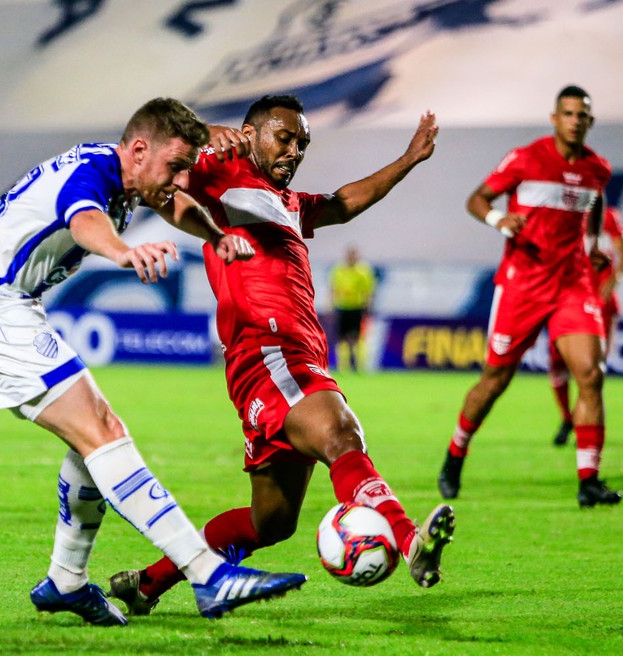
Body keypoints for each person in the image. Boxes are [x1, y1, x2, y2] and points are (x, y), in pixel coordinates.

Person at [0, 97, 306, 625]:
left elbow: (174, 205)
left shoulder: (132, 179)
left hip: (3, 308)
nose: (179, 180)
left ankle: (66, 581)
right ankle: (207, 574)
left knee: (91, 446)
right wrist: (124, 254)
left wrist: (218, 238)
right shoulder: (91, 174)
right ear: (138, 149)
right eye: (174, 167)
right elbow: (85, 221)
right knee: (104, 429)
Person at [106, 94, 455, 616]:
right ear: (250, 135)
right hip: (267, 349)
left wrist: (407, 160)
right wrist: (207, 130)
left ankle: (147, 584)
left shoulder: (285, 203)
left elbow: (343, 202)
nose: (294, 151)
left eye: (302, 144)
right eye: (284, 137)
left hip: (285, 357)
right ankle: (409, 542)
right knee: (341, 435)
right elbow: (158, 161)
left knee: (271, 522)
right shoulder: (219, 173)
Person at [436, 85, 622, 508]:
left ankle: (588, 480)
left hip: (572, 283)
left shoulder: (598, 169)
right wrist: (501, 220)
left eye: (582, 115)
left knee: (591, 375)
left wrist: (592, 241)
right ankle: (455, 455)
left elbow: (594, 201)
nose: (575, 120)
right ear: (554, 118)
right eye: (568, 113)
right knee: (495, 380)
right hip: (523, 285)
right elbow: (476, 199)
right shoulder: (526, 158)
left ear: (589, 122)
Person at [550, 204, 623, 446]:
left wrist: (614, 278)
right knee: (557, 365)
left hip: (600, 303)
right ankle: (567, 418)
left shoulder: (608, 217)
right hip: (567, 300)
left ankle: (580, 422)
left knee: (591, 370)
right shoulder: (565, 215)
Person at [329, 245, 376, 372]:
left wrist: (368, 307)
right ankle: (343, 365)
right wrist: (331, 305)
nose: (351, 257)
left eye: (353, 255)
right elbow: (333, 288)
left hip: (357, 307)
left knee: (356, 337)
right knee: (341, 337)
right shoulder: (338, 270)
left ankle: (357, 364)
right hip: (342, 306)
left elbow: (369, 291)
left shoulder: (363, 271)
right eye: (350, 255)